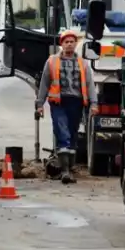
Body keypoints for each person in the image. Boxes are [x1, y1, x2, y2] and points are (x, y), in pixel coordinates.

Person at [35, 30, 98, 184]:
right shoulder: (52, 61)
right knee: (63, 133)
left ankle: (70, 167)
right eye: (66, 42)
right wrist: (39, 104)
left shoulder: (83, 63)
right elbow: (44, 83)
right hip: (58, 103)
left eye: (72, 42)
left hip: (76, 103)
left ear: (76, 44)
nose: (69, 44)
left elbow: (90, 85)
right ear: (61, 44)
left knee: (72, 134)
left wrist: (94, 103)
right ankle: (64, 171)